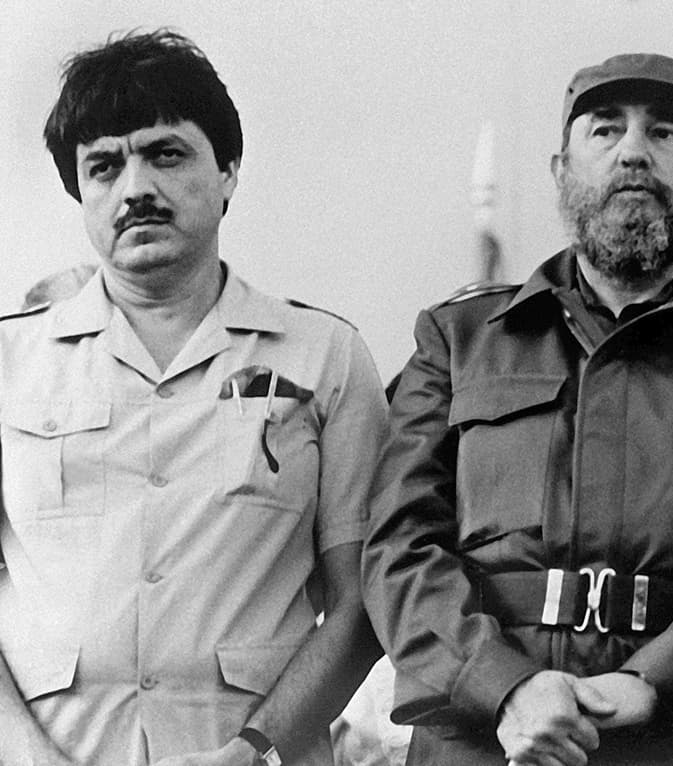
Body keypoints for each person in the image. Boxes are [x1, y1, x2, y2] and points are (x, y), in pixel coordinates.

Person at [362, 53, 673, 765]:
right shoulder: (460, 341)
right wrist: (503, 687)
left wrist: (656, 680)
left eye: (666, 133)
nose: (634, 150)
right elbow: (397, 545)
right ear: (560, 171)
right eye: (606, 131)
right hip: (489, 741)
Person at [0, 30, 387, 765]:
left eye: (166, 153)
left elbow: (362, 603)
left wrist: (257, 750)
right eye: (104, 166)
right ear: (80, 192)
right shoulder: (8, 363)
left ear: (229, 171)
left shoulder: (325, 357)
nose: (135, 188)